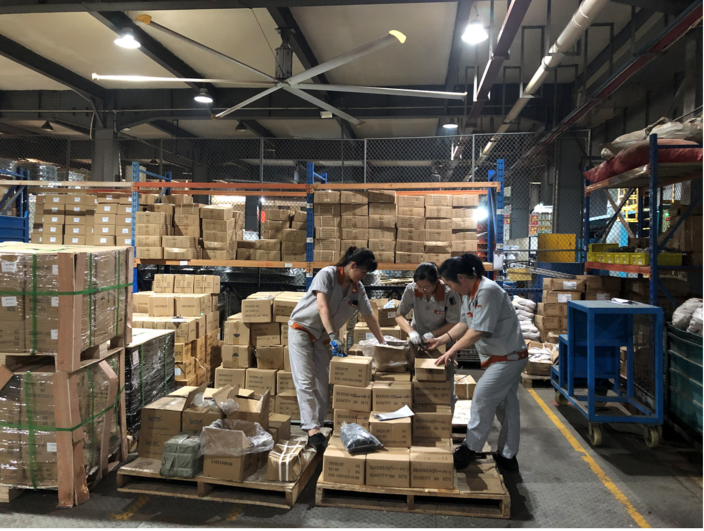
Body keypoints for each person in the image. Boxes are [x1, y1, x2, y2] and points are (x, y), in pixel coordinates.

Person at [425, 254, 528, 472]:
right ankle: (508, 455)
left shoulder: (487, 291)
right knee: (507, 406)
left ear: (461, 278)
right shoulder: (469, 294)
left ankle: (470, 448)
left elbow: (478, 330)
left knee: (482, 397)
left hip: (509, 358)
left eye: (450, 284)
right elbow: (464, 323)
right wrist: (441, 340)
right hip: (499, 357)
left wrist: (452, 350)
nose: (450, 289)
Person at [288, 247, 386, 453]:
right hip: (302, 329)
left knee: (323, 381)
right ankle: (312, 431)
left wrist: (383, 343)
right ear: (353, 266)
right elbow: (322, 306)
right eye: (363, 272)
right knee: (305, 379)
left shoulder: (357, 289)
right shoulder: (327, 275)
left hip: (323, 336)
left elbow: (369, 316)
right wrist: (334, 336)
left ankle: (318, 425)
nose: (364, 277)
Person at [395, 262, 461, 405]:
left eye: (426, 287)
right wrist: (411, 332)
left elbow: (454, 323)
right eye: (419, 286)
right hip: (418, 341)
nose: (422, 290)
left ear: (437, 281)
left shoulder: (450, 293)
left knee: (444, 380)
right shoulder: (412, 289)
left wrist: (433, 334)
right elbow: (399, 315)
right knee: (418, 380)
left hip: (443, 342)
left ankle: (447, 410)